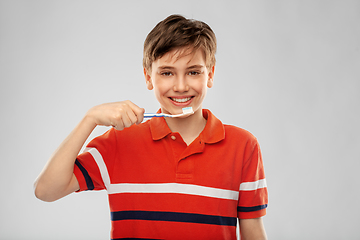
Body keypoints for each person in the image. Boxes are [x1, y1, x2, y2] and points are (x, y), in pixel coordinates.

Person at [34, 14, 268, 240]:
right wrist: (90, 119)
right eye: (167, 73)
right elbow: (46, 190)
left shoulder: (243, 146)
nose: (180, 86)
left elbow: (253, 232)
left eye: (193, 72)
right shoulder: (120, 141)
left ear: (210, 75)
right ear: (148, 77)